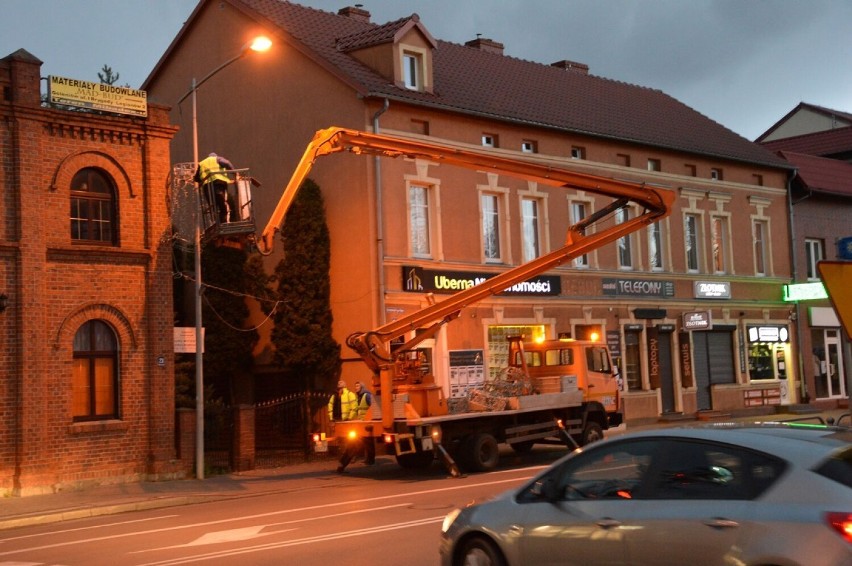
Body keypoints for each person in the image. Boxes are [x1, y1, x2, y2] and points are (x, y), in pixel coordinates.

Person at [194, 152, 234, 224]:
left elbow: (196, 178)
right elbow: (227, 163)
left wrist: (201, 180)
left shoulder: (202, 163)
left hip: (207, 186)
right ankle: (224, 222)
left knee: (213, 205)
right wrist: (234, 172)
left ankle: (216, 222)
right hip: (219, 183)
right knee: (223, 203)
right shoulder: (218, 159)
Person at [353, 381, 376, 466]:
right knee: (365, 442)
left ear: (362, 387)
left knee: (368, 442)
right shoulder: (359, 396)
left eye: (358, 386)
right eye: (355, 386)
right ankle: (367, 459)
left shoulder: (366, 395)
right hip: (362, 422)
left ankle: (370, 460)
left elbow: (373, 406)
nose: (356, 388)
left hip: (367, 423)